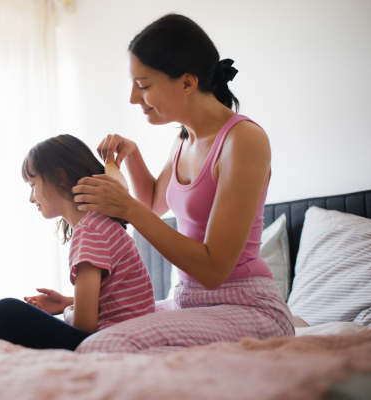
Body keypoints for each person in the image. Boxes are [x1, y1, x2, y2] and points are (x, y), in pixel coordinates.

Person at [71, 14, 294, 353]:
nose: (134, 98)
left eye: (143, 85)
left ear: (188, 82)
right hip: (187, 301)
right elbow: (153, 206)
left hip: (248, 307)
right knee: (92, 321)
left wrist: (125, 207)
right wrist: (132, 156)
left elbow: (213, 269)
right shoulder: (184, 140)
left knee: (106, 343)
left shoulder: (243, 139)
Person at [0, 134, 155, 351]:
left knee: (1, 313)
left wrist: (67, 313)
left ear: (60, 178)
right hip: (122, 326)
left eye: (32, 184)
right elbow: (109, 301)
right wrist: (68, 302)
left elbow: (84, 325)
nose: (31, 198)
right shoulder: (99, 224)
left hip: (114, 334)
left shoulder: (90, 231)